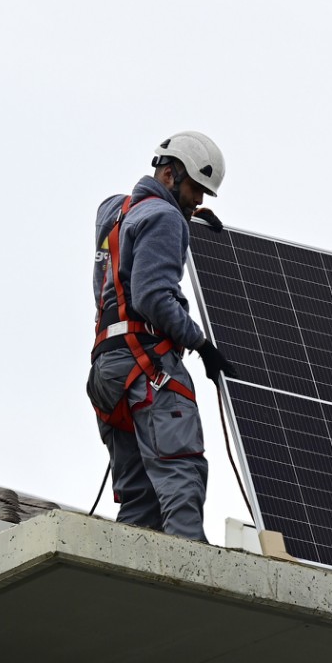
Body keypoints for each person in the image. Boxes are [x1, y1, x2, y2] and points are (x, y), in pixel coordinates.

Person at [87, 131, 236, 541]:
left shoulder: (115, 211)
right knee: (180, 479)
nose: (199, 201)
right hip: (149, 370)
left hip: (108, 373)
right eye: (194, 190)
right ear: (169, 175)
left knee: (139, 502)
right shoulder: (165, 218)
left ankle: (129, 597)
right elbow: (152, 295)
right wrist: (201, 344)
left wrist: (182, 216)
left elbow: (131, 230)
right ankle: (191, 593)